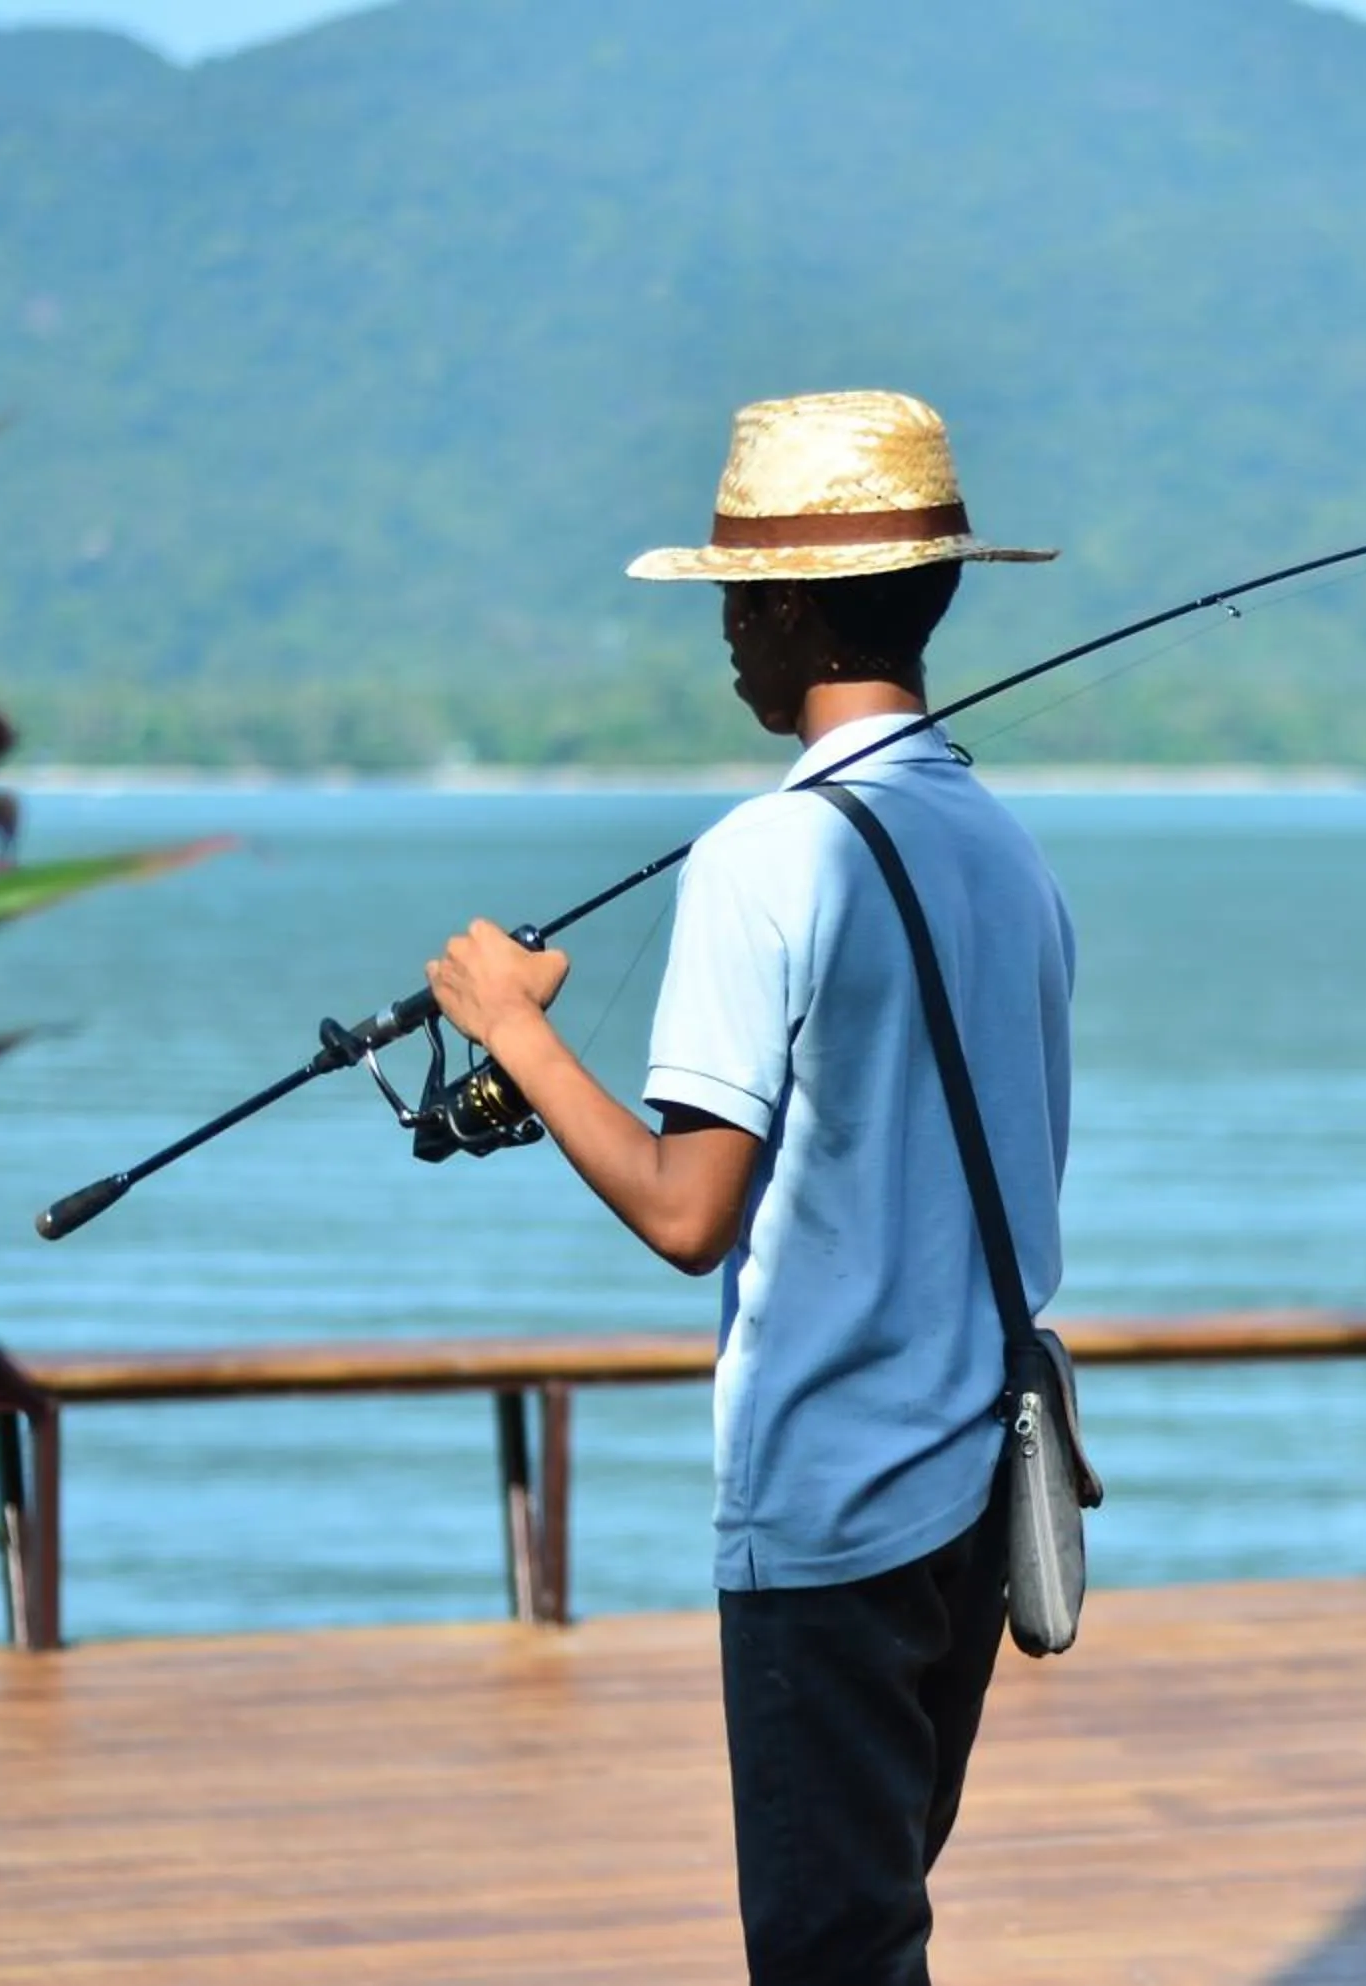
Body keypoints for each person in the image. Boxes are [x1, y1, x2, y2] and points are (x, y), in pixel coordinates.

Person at [423, 389, 1073, 1986]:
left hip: (835, 1507)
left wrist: (512, 1026)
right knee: (878, 1925)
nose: (725, 633)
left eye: (734, 595)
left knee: (828, 1953)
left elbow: (684, 1208)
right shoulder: (1008, 851)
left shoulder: (764, 860)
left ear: (786, 605)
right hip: (975, 1500)